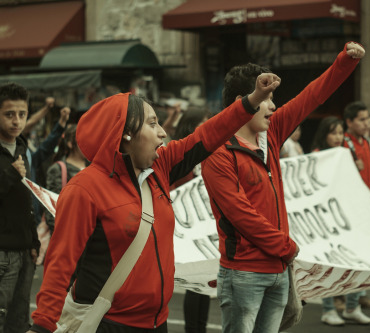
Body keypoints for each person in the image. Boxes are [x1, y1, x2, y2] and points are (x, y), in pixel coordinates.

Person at [27, 73, 279, 333]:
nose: (163, 132)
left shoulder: (160, 166)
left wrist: (253, 100)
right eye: (152, 123)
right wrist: (43, 325)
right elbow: (60, 264)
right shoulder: (84, 189)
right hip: (107, 324)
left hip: (157, 323)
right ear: (125, 133)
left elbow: (208, 134)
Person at [201, 42, 365, 333]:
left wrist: (345, 62)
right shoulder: (218, 152)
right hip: (244, 275)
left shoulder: (272, 134)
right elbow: (241, 215)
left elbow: (312, 96)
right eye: (267, 98)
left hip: (279, 270)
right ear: (246, 100)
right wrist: (286, 247)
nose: (274, 106)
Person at [0, 82, 41, 333]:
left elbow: (27, 201)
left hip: (25, 251)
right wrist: (10, 175)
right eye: (9, 114)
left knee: (18, 323)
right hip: (2, 252)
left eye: (22, 114)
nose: (16, 121)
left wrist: (34, 241)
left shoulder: (23, 148)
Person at [170, 106, 213, 333]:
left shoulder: (206, 152)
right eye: (203, 122)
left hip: (205, 224)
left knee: (204, 281)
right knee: (194, 285)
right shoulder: (178, 154)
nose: (208, 127)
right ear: (190, 125)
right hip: (186, 226)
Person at [341, 101, 370, 324]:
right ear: (349, 122)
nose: (367, 123)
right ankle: (337, 302)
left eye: (368, 119)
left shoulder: (365, 142)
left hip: (365, 207)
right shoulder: (344, 145)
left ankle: (354, 302)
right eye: (362, 119)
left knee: (363, 257)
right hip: (350, 210)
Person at [310, 116, 347, 326]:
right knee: (328, 264)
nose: (338, 137)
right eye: (334, 133)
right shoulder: (317, 156)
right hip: (324, 220)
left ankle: (352, 306)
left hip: (341, 217)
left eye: (341, 133)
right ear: (324, 135)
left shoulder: (343, 155)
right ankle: (328, 308)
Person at [44, 124, 88, 233]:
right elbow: (52, 208)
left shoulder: (94, 168)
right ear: (70, 143)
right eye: (84, 140)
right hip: (68, 234)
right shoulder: (58, 170)